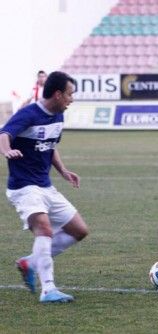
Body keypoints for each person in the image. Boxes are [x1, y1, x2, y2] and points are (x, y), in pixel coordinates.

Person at [0, 71, 89, 303]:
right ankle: (48, 289)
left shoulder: (58, 116)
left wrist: (64, 171)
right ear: (58, 94)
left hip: (45, 186)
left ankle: (30, 262)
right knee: (45, 230)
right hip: (24, 187)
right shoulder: (29, 114)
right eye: (70, 94)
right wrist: (7, 150)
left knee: (79, 230)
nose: (72, 99)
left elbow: (49, 146)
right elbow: (4, 134)